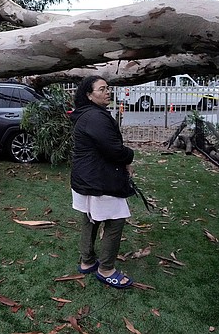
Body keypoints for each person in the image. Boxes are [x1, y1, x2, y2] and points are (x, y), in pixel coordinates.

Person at [70, 75, 135, 289]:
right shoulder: (95, 117)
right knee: (116, 220)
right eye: (102, 89)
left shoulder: (88, 114)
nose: (108, 92)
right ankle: (106, 269)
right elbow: (113, 149)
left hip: (88, 177)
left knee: (90, 218)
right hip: (99, 180)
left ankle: (87, 261)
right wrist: (129, 156)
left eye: (108, 88)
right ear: (89, 95)